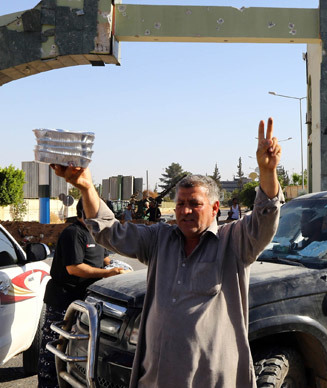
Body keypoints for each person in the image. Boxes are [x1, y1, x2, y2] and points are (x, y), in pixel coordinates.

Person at [51, 117, 283, 387]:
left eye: (194, 204)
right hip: (157, 377)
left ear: (215, 207)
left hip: (214, 379)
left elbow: (264, 220)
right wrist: (86, 187)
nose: (185, 211)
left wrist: (268, 174)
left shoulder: (235, 241)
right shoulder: (160, 239)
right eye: (180, 204)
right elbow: (110, 232)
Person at [38, 200, 126, 388]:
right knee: (55, 348)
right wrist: (107, 273)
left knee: (77, 349)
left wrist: (115, 267)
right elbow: (74, 268)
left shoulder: (96, 233)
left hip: (86, 303)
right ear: (86, 212)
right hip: (63, 301)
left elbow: (103, 258)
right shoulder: (73, 233)